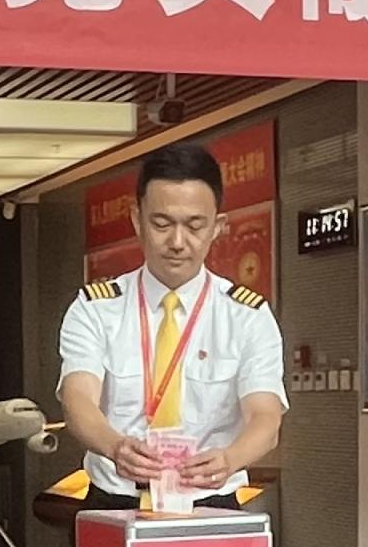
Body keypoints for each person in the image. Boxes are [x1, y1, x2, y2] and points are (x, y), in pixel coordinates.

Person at [58, 143, 286, 513]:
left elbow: (266, 417)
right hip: (114, 501)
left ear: (218, 227)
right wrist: (115, 447)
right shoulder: (96, 308)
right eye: (161, 224)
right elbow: (78, 399)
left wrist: (230, 459)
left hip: (211, 501)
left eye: (194, 226)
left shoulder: (247, 316)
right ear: (137, 220)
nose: (178, 242)